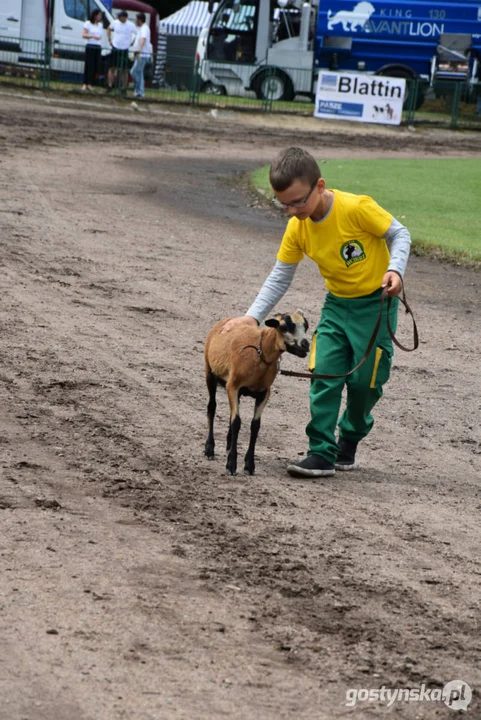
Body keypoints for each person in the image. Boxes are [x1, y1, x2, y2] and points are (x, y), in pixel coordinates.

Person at [222, 147, 411, 479]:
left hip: (376, 306)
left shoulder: (356, 208)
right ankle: (321, 451)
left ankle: (349, 437)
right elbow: (280, 275)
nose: (293, 211)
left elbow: (399, 233)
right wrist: (252, 317)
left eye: (298, 201)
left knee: (365, 382)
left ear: (320, 186)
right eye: (285, 204)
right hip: (337, 306)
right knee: (324, 372)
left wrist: (395, 270)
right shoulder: (299, 227)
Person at [106, 10, 136, 97]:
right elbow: (108, 29)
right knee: (112, 67)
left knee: (124, 69)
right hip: (115, 47)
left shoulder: (130, 25)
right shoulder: (115, 23)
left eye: (121, 16)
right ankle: (110, 86)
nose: (119, 18)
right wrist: (110, 40)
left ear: (125, 17)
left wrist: (133, 41)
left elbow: (137, 33)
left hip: (125, 48)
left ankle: (123, 88)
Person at [130, 12, 152, 99]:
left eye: (136, 19)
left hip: (142, 55)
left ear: (139, 20)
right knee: (139, 73)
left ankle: (139, 89)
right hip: (140, 54)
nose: (135, 20)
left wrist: (138, 50)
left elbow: (143, 39)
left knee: (133, 72)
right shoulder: (141, 28)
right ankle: (140, 92)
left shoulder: (145, 28)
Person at [81, 9, 104, 92]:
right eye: (99, 15)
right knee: (88, 65)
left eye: (100, 16)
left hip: (97, 46)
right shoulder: (88, 23)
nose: (100, 17)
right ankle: (85, 83)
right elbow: (83, 34)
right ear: (95, 15)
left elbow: (100, 35)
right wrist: (92, 36)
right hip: (90, 45)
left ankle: (90, 83)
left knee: (94, 65)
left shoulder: (100, 25)